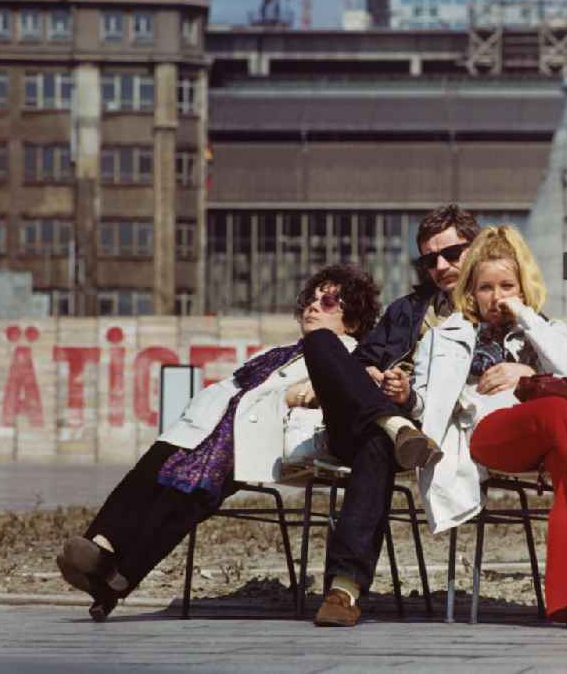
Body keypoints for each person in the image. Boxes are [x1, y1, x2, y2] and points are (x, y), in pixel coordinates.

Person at [55, 264, 381, 622]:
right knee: (154, 467)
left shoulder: (348, 354)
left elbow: (344, 392)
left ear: (351, 321)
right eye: (311, 298)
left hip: (265, 436)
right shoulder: (284, 350)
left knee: (189, 487)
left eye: (330, 300)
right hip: (215, 424)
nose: (314, 306)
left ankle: (112, 573)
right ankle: (100, 548)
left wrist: (299, 395)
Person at [394, 225, 567, 630]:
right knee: (559, 411)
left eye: (507, 286)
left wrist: (524, 354)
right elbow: (428, 406)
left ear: (523, 288)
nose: (496, 297)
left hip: (551, 435)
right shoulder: (444, 337)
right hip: (487, 435)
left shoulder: (547, 330)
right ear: (470, 290)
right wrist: (404, 397)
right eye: (486, 287)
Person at [304, 204, 482, 627]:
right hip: (375, 420)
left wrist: (408, 395)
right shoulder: (407, 310)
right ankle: (392, 423)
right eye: (429, 259)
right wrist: (371, 373)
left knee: (377, 445)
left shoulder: (493, 307)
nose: (440, 266)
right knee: (320, 342)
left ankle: (343, 588)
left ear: (476, 248)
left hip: (431, 428)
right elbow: (364, 358)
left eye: (451, 254)